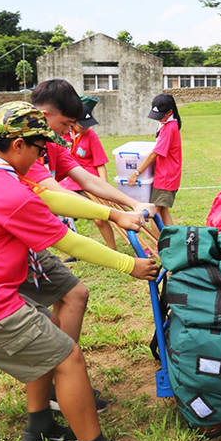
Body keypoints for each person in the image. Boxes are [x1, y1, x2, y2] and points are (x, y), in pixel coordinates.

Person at [0, 102, 157, 441]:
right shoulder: (5, 190)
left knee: (44, 337)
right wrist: (130, 265)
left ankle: (40, 430)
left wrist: (113, 213)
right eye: (37, 147)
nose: (41, 154)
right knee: (67, 359)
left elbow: (50, 198)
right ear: (16, 144)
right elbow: (69, 242)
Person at [22, 79, 156, 413]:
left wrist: (130, 203)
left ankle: (61, 383)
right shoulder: (23, 146)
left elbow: (86, 179)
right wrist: (112, 216)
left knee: (74, 295)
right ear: (44, 114)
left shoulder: (51, 142)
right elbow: (56, 196)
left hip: (33, 240)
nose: (69, 132)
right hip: (15, 242)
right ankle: (58, 384)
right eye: (66, 124)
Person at [59, 96, 115, 249]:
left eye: (88, 125)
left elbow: (100, 164)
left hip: (90, 181)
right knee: (66, 218)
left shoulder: (91, 136)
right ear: (72, 123)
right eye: (82, 125)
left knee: (100, 218)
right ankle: (74, 251)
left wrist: (104, 189)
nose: (86, 128)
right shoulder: (61, 135)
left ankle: (112, 249)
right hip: (67, 183)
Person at [127, 93, 182, 226]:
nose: (159, 119)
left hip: (166, 176)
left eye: (161, 115)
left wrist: (136, 172)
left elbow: (155, 154)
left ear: (169, 112)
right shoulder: (167, 124)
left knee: (155, 212)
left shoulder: (169, 127)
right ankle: (169, 242)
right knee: (163, 211)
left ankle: (158, 245)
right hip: (166, 174)